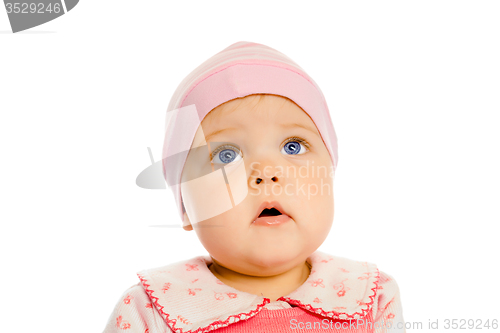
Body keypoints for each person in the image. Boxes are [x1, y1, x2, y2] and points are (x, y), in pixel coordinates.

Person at [103, 41, 405, 333]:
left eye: (293, 147)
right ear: (185, 208)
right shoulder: (150, 311)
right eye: (226, 156)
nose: (266, 173)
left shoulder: (370, 298)